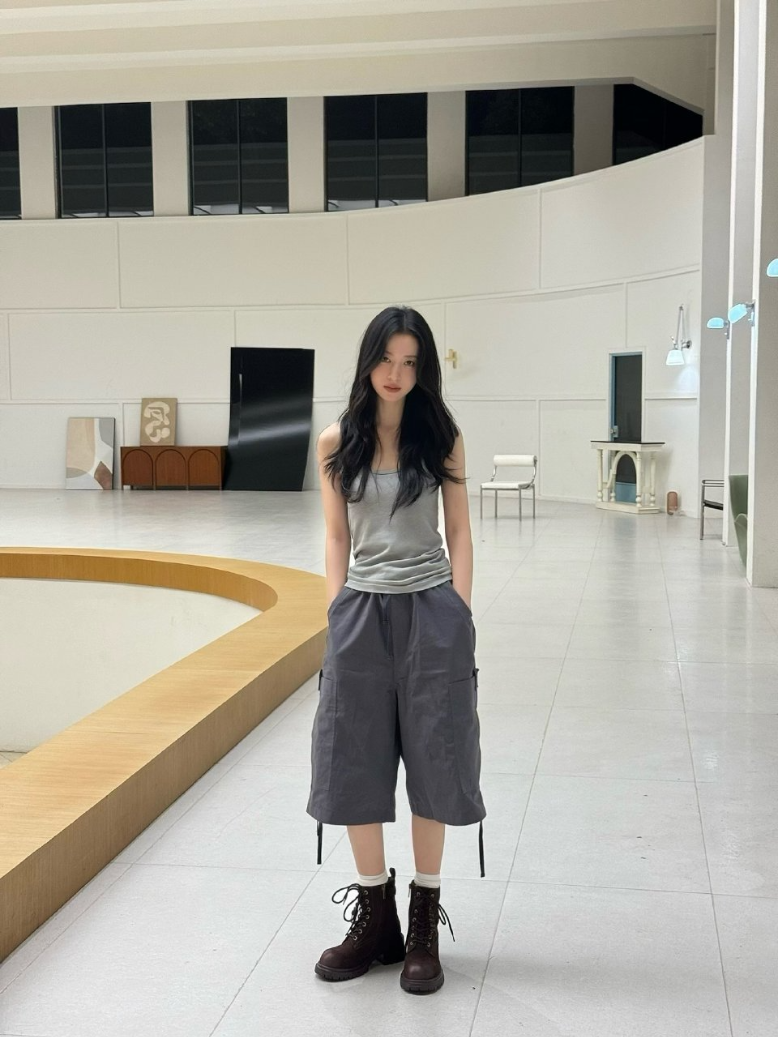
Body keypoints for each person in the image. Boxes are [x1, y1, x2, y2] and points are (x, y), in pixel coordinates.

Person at [306, 304, 486, 996]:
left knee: (436, 757)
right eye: (386, 359)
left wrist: (458, 610)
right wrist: (337, 610)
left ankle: (421, 923)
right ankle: (374, 917)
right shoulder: (336, 441)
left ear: (423, 369)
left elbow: (459, 529)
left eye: (410, 362)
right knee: (354, 757)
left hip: (432, 611)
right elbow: (335, 536)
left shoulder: (440, 436)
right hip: (360, 612)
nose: (396, 373)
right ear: (368, 360)